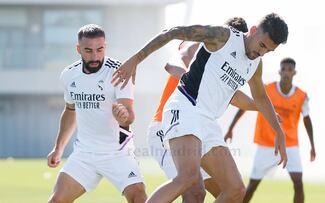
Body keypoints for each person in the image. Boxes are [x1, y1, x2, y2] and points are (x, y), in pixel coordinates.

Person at [113, 13, 289, 203]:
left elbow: (261, 97)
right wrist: (135, 59)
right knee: (188, 180)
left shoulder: (255, 64)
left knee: (236, 190)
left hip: (207, 122)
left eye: (268, 51)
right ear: (253, 31)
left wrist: (278, 132)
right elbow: (173, 32)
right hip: (185, 107)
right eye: (262, 45)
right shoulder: (223, 36)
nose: (260, 53)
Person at [148, 17, 258, 202]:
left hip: (194, 128)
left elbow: (234, 97)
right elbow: (172, 64)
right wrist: (194, 82)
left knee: (228, 191)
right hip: (167, 126)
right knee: (193, 190)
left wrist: (264, 107)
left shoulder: (224, 66)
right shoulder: (198, 46)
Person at [47, 24, 146, 203]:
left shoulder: (120, 71)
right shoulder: (69, 75)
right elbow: (70, 111)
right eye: (88, 50)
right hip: (84, 154)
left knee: (138, 197)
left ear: (105, 47)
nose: (95, 56)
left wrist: (123, 115)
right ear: (78, 49)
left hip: (118, 153)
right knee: (56, 200)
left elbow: (130, 115)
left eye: (99, 50)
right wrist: (58, 148)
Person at [224, 57, 316, 203]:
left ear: (294, 73)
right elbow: (246, 107)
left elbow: (307, 120)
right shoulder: (267, 90)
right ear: (279, 71)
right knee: (253, 185)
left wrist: (312, 146)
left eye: (290, 70)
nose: (286, 73)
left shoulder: (301, 96)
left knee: (298, 182)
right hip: (266, 144)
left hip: (290, 144)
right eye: (284, 69)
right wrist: (230, 128)